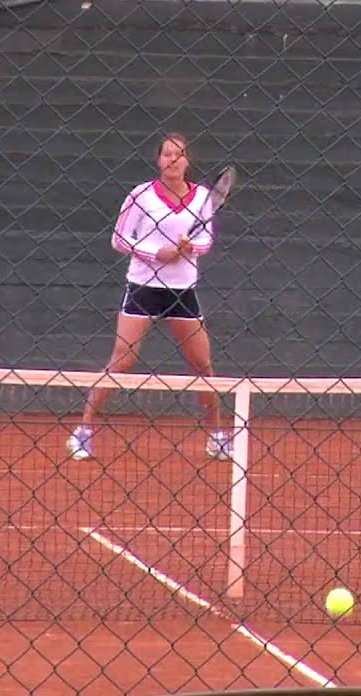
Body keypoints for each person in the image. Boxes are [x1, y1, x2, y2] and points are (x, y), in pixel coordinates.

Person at [67, 132, 233, 462]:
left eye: (179, 154)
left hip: (183, 292)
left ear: (187, 161)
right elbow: (119, 239)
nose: (173, 159)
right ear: (159, 160)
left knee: (202, 365)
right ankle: (83, 432)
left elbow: (206, 242)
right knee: (122, 361)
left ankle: (217, 435)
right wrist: (157, 253)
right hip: (143, 288)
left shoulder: (202, 197)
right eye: (167, 154)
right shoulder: (141, 196)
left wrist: (187, 250)